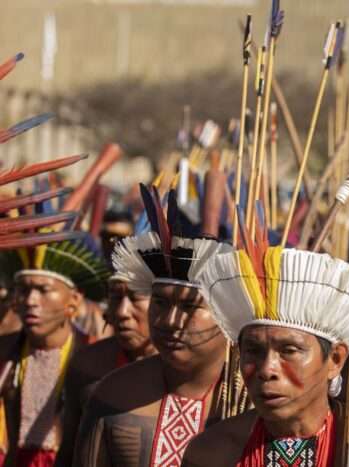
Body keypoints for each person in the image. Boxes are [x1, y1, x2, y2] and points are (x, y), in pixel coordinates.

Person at [181, 234, 349, 466]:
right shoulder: (212, 453)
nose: (267, 369)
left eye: (289, 350)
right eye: (254, 350)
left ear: (335, 360)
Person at [72, 187, 235, 467]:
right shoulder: (113, 393)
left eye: (189, 307)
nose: (170, 321)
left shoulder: (256, 403)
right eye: (160, 302)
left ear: (228, 316)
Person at [0, 233, 110, 466]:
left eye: (43, 290)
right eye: (24, 289)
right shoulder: (5, 353)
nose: (31, 300)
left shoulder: (97, 359)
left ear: (74, 300)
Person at [54, 274, 156, 466]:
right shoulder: (87, 365)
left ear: (163, 304)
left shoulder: (185, 370)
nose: (122, 311)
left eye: (135, 297)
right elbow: (68, 450)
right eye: (116, 297)